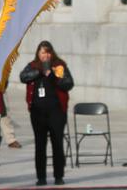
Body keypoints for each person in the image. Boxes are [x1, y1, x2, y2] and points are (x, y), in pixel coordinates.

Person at [21, 41, 74, 187]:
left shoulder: (59, 65)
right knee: (40, 145)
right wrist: (39, 72)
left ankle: (58, 176)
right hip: (38, 112)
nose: (46, 55)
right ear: (38, 53)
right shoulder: (33, 66)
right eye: (43, 52)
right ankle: (41, 177)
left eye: (48, 52)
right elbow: (23, 77)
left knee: (57, 144)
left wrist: (53, 75)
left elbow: (68, 84)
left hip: (56, 112)